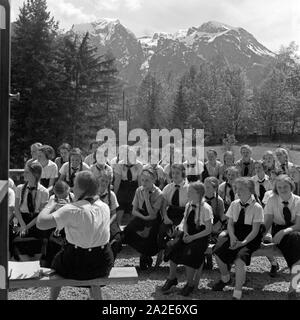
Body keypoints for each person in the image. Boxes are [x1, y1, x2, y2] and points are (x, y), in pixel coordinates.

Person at [36, 171, 114, 300]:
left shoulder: (71, 209)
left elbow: (41, 223)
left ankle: (52, 299)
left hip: (78, 264)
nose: (72, 188)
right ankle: (97, 298)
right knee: (89, 250)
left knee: (56, 263)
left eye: (75, 186)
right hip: (102, 264)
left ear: (82, 189)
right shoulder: (105, 206)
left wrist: (49, 206)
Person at [212, 177, 265, 300]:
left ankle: (237, 290)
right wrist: (232, 237)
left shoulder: (257, 207)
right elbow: (230, 224)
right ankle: (226, 278)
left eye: (241, 189)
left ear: (250, 190)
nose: (237, 191)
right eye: (237, 188)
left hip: (250, 237)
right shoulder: (234, 204)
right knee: (217, 252)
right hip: (234, 233)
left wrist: (243, 243)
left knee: (239, 260)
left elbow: (255, 230)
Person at [161, 181, 213, 296]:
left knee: (189, 253)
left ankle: (190, 283)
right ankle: (172, 277)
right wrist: (184, 233)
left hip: (200, 236)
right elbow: (185, 221)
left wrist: (192, 237)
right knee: (172, 246)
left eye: (190, 192)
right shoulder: (189, 204)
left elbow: (208, 229)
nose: (188, 193)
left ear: (198, 194)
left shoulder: (206, 208)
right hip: (188, 233)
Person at [263, 174, 300, 299]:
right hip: (279, 230)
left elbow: (298, 225)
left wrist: (284, 232)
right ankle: (293, 287)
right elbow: (267, 222)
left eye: (285, 186)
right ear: (276, 189)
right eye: (279, 187)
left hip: (294, 230)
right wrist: (260, 238)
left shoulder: (298, 201)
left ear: (291, 186)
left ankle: (293, 287)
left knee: (296, 239)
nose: (283, 189)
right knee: (297, 255)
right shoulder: (272, 200)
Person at [123, 168, 163, 270]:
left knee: (149, 235)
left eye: (147, 180)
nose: (144, 183)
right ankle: (142, 252)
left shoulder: (159, 193)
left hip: (153, 217)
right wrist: (143, 217)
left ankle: (146, 255)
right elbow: (134, 210)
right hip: (141, 215)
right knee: (128, 231)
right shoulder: (138, 190)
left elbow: (153, 214)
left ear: (153, 180)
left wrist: (146, 198)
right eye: (142, 180)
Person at [14, 162, 49, 257]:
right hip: (22, 219)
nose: (24, 174)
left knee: (37, 250)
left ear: (36, 174)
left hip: (36, 221)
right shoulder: (19, 188)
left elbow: (41, 213)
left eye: (27, 172)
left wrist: (27, 227)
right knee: (19, 247)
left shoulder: (44, 191)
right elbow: (16, 209)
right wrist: (22, 225)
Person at [157, 164, 189, 259]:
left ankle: (170, 249)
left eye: (178, 173)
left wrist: (182, 223)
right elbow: (163, 206)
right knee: (161, 230)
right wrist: (165, 218)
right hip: (170, 214)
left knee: (180, 233)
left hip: (184, 215)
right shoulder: (168, 188)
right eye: (173, 173)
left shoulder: (189, 188)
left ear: (183, 174)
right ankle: (165, 249)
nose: (175, 175)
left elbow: (189, 209)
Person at [41, 181, 74, 267]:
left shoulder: (73, 197)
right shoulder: (52, 198)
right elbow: (48, 213)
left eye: (64, 196)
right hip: (56, 224)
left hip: (68, 225)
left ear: (68, 190)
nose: (61, 198)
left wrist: (67, 206)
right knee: (51, 242)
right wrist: (55, 207)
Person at [114, 146, 143, 225]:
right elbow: (117, 181)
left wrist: (140, 195)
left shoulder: (139, 165)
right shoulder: (119, 165)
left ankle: (130, 228)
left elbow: (140, 182)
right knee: (120, 206)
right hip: (123, 186)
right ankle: (118, 226)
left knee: (133, 207)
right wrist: (114, 195)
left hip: (134, 187)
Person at [98, 171, 122, 260]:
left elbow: (114, 213)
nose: (104, 183)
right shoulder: (91, 193)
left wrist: (108, 223)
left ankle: (111, 260)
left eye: (106, 182)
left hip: (109, 220)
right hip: (95, 220)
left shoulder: (111, 195)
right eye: (102, 180)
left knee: (117, 239)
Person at [203, 177, 226, 269]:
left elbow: (221, 216)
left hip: (215, 225)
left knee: (214, 240)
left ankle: (210, 259)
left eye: (208, 187)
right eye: (204, 186)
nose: (205, 188)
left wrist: (218, 224)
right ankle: (202, 260)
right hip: (202, 224)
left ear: (215, 188)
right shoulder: (200, 198)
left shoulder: (219, 200)